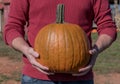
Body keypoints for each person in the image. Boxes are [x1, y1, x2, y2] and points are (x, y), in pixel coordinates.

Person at [3, 0, 117, 84]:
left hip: (79, 76)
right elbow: (12, 28)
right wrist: (26, 50)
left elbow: (108, 27)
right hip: (36, 78)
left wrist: (96, 50)